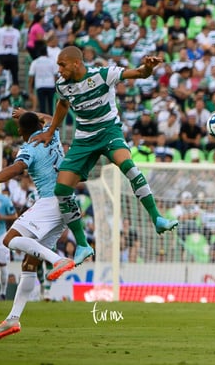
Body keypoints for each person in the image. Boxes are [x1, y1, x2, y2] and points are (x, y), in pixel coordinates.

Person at [30, 46, 178, 266]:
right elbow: (62, 104)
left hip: (109, 131)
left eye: (62, 64)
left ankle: (157, 218)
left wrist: (147, 68)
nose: (59, 69)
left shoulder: (102, 75)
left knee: (128, 165)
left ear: (76, 63)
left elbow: (137, 73)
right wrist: (50, 132)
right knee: (61, 189)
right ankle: (82, 244)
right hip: (84, 139)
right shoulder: (62, 85)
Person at [0, 110, 75, 339]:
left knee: (9, 239)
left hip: (49, 201)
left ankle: (58, 260)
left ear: (23, 131)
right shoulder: (51, 134)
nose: (19, 132)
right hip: (67, 203)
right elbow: (49, 119)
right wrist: (26, 113)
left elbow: (13, 170)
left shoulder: (29, 148)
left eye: (20, 129)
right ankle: (13, 318)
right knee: (29, 262)